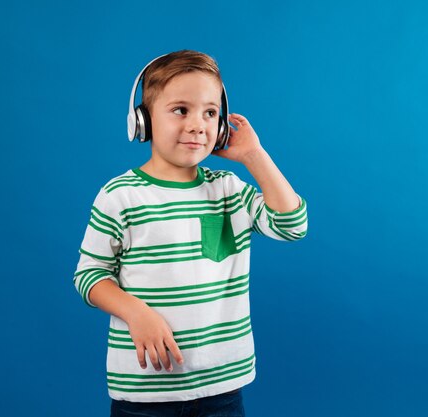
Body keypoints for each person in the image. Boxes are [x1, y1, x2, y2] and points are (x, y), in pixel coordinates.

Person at [73, 50, 308, 416]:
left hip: (223, 387)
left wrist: (254, 156)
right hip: (145, 392)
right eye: (181, 110)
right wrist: (136, 312)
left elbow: (292, 225)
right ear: (143, 121)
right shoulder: (120, 196)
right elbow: (90, 276)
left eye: (210, 113)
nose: (199, 124)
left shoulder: (229, 189)